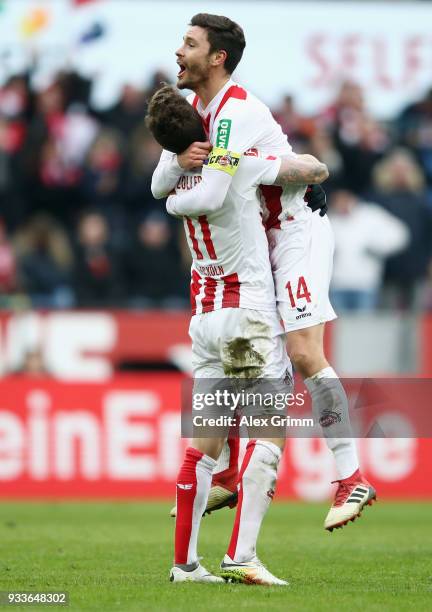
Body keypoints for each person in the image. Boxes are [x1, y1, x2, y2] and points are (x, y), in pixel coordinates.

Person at [158, 12, 375, 539]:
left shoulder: (234, 111)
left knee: (301, 353)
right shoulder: (193, 109)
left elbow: (224, 184)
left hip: (295, 232)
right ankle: (230, 472)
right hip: (259, 242)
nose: (178, 52)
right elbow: (170, 177)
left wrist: (302, 170)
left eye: (189, 44)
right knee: (248, 360)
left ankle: (351, 476)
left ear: (217, 58)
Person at [149, 76, 328, 585]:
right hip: (245, 318)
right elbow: (304, 169)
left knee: (202, 444)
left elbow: (170, 192)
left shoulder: (176, 179)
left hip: (204, 319)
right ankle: (241, 556)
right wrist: (312, 167)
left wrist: (171, 185)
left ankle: (184, 565)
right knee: (269, 428)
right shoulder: (234, 165)